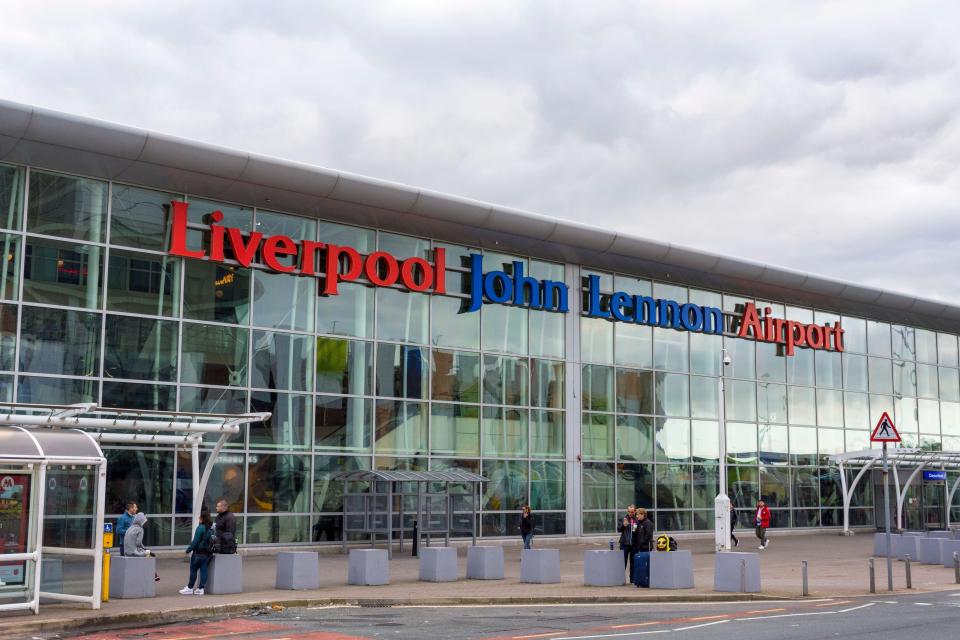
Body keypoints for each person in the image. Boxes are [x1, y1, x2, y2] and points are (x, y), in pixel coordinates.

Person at [180, 509, 213, 596]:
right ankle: (201, 589)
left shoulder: (200, 528)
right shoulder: (210, 528)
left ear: (202, 518)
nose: (198, 518)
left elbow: (195, 541)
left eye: (200, 517)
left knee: (193, 570)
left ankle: (190, 588)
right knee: (204, 570)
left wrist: (188, 550)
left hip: (198, 553)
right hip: (206, 554)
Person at [617, 505, 639, 581]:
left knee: (633, 562)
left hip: (634, 544)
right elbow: (618, 529)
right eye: (629, 511)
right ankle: (621, 579)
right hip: (624, 543)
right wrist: (623, 525)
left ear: (635, 511)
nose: (630, 513)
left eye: (632, 512)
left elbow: (638, 531)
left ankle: (632, 579)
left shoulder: (637, 519)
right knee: (623, 562)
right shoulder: (623, 519)